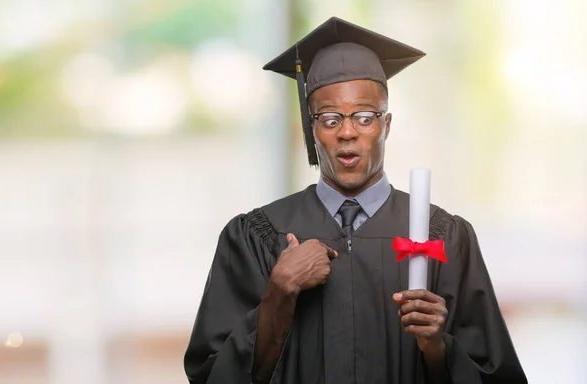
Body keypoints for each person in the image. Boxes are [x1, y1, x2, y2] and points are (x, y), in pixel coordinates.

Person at [184, 16, 527, 384]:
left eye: (365, 117)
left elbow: (495, 375)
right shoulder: (256, 237)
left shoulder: (442, 237)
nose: (348, 132)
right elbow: (212, 376)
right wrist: (280, 292)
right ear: (312, 128)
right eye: (330, 119)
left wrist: (437, 348)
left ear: (387, 125)